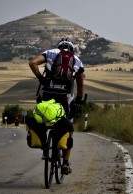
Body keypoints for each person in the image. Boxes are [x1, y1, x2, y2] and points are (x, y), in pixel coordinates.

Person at [28, 38, 85, 175]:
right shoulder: (77, 60)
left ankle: (45, 147)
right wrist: (79, 98)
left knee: (42, 118)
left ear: (59, 47)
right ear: (71, 49)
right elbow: (80, 82)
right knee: (67, 127)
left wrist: (41, 79)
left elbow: (32, 63)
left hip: (46, 95)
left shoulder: (50, 52)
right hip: (63, 97)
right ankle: (65, 163)